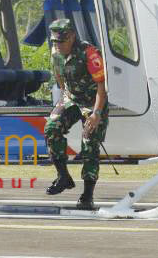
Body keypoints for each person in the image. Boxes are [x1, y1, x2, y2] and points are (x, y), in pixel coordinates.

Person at [44, 19, 108, 210]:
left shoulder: (90, 54)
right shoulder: (56, 53)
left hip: (92, 101)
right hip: (71, 98)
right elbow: (60, 80)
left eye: (61, 42)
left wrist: (96, 113)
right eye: (55, 41)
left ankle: (87, 195)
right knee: (51, 128)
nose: (57, 45)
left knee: (89, 143)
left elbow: (102, 87)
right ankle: (63, 176)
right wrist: (64, 101)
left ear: (72, 37)